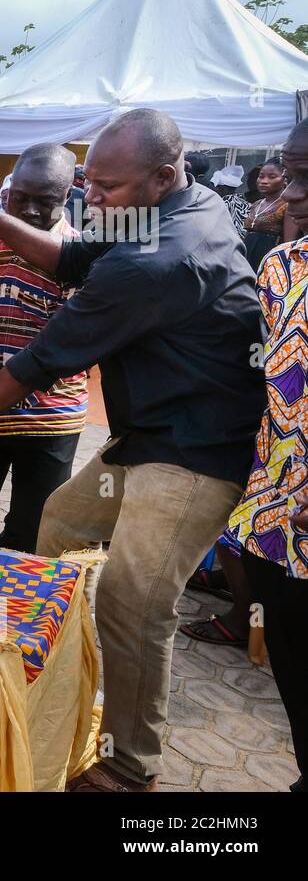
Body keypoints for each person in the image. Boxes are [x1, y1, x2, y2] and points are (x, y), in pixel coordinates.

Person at [0, 108, 266, 791]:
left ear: (163, 176)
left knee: (135, 600)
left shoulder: (157, 261)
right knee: (63, 527)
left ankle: (132, 765)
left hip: (195, 450)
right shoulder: (190, 205)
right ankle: (52, 672)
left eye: (106, 187)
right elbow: (71, 257)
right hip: (149, 432)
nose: (90, 200)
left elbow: (44, 358)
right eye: (89, 185)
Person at [222, 118, 308, 792]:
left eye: (306, 179)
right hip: (278, 514)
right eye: (291, 175)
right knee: (289, 656)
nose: (293, 196)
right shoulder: (280, 267)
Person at [0, 144, 86, 553]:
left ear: (67, 197)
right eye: (19, 198)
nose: (29, 210)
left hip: (48, 421)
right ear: (5, 192)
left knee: (31, 535)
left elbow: (73, 351)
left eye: (45, 202)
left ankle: (15, 613)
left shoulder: (81, 260)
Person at [242, 158, 293, 271]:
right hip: (246, 262)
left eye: (272, 177)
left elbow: (289, 244)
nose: (264, 181)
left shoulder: (287, 206)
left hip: (270, 265)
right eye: (261, 176)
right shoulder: (256, 204)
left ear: (284, 180)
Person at [227, 165, 260, 236]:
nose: (252, 181)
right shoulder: (231, 200)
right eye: (250, 177)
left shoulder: (272, 206)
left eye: (257, 177)